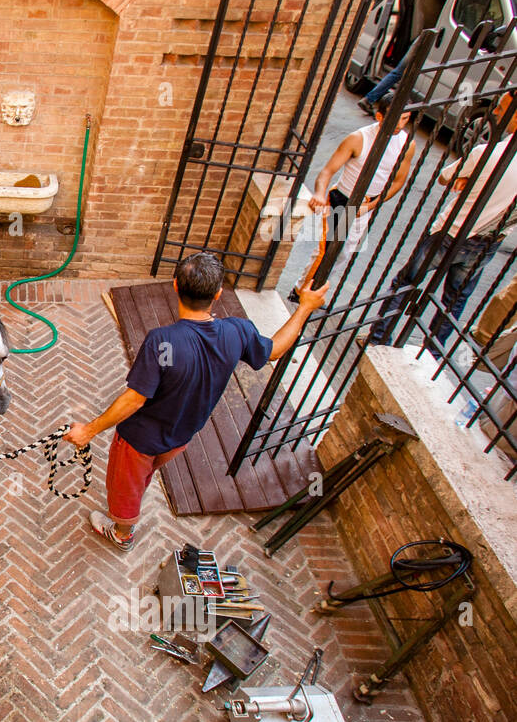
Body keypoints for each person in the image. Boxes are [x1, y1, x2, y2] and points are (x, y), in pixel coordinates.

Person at [64, 253, 328, 551]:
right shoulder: (237, 331)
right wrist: (304, 307)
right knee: (145, 475)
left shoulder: (161, 341)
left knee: (125, 489)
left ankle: (123, 533)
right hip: (181, 437)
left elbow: (134, 400)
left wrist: (88, 431)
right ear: (218, 293)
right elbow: (276, 349)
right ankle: (136, 498)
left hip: (139, 441)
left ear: (175, 286)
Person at [368, 91, 517, 350]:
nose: (494, 112)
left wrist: (466, 178)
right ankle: (432, 354)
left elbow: (446, 178)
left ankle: (379, 339)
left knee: (406, 283)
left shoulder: (486, 153)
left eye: (502, 109)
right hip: (487, 241)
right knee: (454, 302)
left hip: (450, 232)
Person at [303, 94, 415, 292]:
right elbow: (327, 171)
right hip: (342, 199)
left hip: (368, 204)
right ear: (380, 117)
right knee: (327, 251)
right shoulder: (358, 138)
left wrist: (370, 206)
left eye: (405, 118)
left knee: (345, 252)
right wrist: (320, 193)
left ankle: (319, 288)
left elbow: (398, 182)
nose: (400, 123)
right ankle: (302, 290)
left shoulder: (407, 144)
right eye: (396, 117)